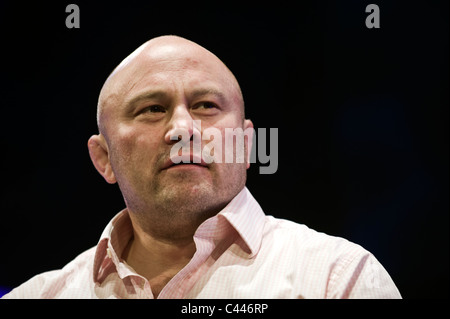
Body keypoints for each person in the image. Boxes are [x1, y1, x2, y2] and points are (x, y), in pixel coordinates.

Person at [3, 35, 401, 299]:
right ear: (104, 158)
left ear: (247, 145)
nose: (182, 128)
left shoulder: (338, 280)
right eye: (152, 109)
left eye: (206, 106)